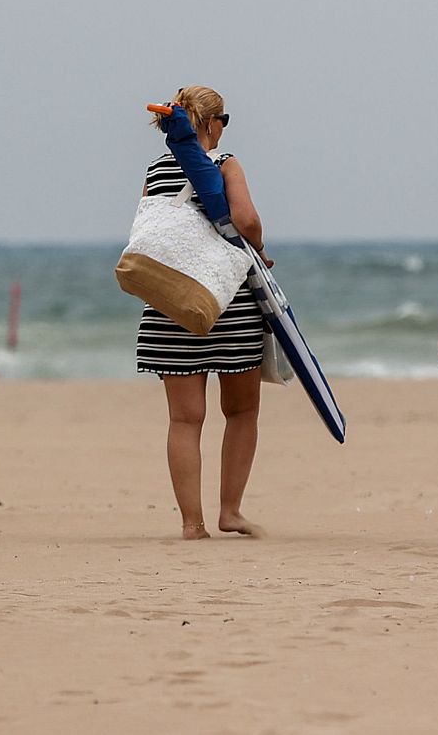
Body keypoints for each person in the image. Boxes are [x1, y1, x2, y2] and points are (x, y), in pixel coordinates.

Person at [136, 85, 270, 541]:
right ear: (213, 124)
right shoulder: (225, 163)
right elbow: (246, 221)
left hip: (170, 304)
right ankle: (229, 511)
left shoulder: (154, 172)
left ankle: (191, 524)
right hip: (227, 305)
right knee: (241, 411)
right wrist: (262, 248)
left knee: (184, 420)